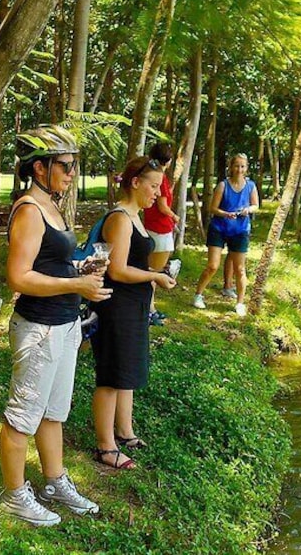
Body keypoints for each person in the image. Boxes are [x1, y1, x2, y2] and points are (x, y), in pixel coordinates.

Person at [0, 125, 111, 526]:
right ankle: (14, 494)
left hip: (65, 324)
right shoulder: (29, 209)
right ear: (40, 167)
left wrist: (79, 270)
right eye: (65, 166)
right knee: (22, 416)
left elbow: (50, 262)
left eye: (73, 166)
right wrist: (75, 283)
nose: (71, 174)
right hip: (39, 326)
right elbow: (18, 276)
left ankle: (54, 481)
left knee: (53, 413)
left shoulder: (52, 204)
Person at [90, 156, 176, 469]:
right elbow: (119, 270)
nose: (158, 193)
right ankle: (105, 446)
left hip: (134, 305)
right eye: (154, 186)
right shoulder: (120, 218)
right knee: (112, 376)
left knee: (125, 372)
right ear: (135, 183)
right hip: (117, 306)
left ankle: (124, 432)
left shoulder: (137, 217)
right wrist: (155, 275)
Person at [192, 153, 259, 316]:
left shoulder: (251, 186)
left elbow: (255, 205)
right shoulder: (223, 185)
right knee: (212, 266)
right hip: (219, 228)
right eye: (237, 166)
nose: (239, 169)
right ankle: (198, 295)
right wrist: (225, 214)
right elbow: (212, 208)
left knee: (240, 269)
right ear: (231, 167)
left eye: (243, 166)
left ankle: (240, 303)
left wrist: (248, 210)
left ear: (246, 168)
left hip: (240, 230)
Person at [142, 143, 179, 326]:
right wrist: (175, 216)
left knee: (150, 271)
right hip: (161, 229)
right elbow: (163, 207)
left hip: (150, 226)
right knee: (154, 274)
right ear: (169, 160)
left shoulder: (150, 175)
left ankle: (150, 308)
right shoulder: (161, 179)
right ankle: (149, 310)